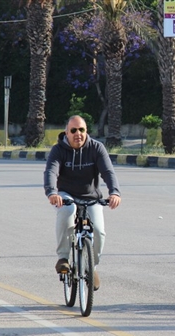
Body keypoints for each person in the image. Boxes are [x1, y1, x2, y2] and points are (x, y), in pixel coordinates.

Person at [44, 115, 121, 290]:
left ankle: (91, 267)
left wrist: (114, 192)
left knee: (99, 231)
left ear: (86, 131)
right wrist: (52, 193)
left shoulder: (96, 148)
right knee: (67, 211)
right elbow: (51, 172)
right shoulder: (58, 150)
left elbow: (108, 172)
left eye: (82, 130)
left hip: (91, 197)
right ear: (66, 132)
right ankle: (63, 258)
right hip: (66, 195)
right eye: (73, 130)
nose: (78, 134)